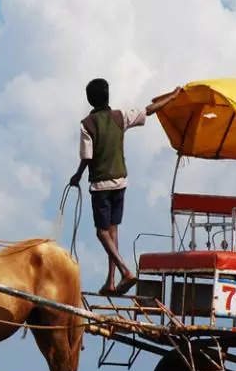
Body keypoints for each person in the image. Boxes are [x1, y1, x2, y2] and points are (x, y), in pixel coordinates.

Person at [69, 78, 179, 295]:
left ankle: (125, 270)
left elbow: (87, 158)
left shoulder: (87, 125)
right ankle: (110, 282)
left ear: (90, 99)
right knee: (112, 231)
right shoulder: (120, 116)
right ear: (108, 96)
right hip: (120, 182)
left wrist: (77, 176)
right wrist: (173, 96)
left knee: (102, 233)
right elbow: (149, 110)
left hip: (101, 184)